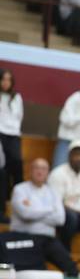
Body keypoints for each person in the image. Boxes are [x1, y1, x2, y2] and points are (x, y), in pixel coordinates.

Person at [10, 158, 80, 279]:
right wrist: (49, 210)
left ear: (48, 173)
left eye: (43, 169)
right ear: (30, 170)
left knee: (57, 249)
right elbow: (25, 214)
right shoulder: (20, 189)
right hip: (24, 236)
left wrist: (34, 210)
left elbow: (60, 219)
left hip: (46, 238)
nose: (40, 172)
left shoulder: (53, 192)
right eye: (36, 168)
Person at [0, 69, 23, 220]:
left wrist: (14, 131)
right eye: (3, 79)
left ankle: (18, 202)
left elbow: (19, 116)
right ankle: (2, 208)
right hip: (0, 133)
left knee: (17, 164)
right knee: (2, 170)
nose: (5, 82)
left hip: (13, 135)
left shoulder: (17, 97)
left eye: (9, 79)